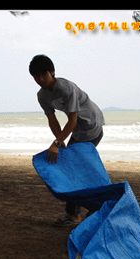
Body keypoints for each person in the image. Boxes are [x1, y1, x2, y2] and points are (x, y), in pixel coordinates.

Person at [29, 54, 105, 226]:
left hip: (91, 127)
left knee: (75, 170)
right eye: (36, 76)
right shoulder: (42, 96)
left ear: (52, 72)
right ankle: (84, 211)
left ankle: (80, 212)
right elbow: (52, 120)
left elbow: (73, 120)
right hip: (78, 131)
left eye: (44, 74)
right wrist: (60, 141)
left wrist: (56, 144)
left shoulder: (66, 88)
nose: (40, 79)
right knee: (76, 170)